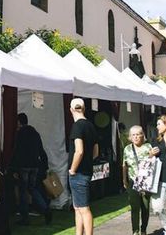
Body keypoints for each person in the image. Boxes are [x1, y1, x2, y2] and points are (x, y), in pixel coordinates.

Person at [11, 113, 51, 225]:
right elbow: (41, 150)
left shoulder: (19, 134)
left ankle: (25, 217)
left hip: (23, 165)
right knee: (32, 189)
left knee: (23, 191)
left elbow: (16, 152)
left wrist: (13, 168)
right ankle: (45, 209)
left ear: (19, 122)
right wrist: (44, 165)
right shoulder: (35, 133)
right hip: (35, 165)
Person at [68, 98, 97, 235]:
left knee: (83, 208)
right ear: (84, 109)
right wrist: (87, 161)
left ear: (71, 109)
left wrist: (72, 169)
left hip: (78, 173)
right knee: (78, 207)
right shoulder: (90, 126)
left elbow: (79, 150)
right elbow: (96, 150)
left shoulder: (77, 126)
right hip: (86, 171)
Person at [122, 126, 152, 235]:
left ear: (142, 135)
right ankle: (135, 231)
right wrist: (124, 179)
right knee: (135, 208)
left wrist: (152, 154)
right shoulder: (127, 149)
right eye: (133, 135)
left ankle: (143, 229)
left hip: (145, 183)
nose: (135, 137)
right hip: (132, 182)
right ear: (130, 137)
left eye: (138, 134)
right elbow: (124, 165)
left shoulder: (148, 147)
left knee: (145, 207)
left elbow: (153, 162)